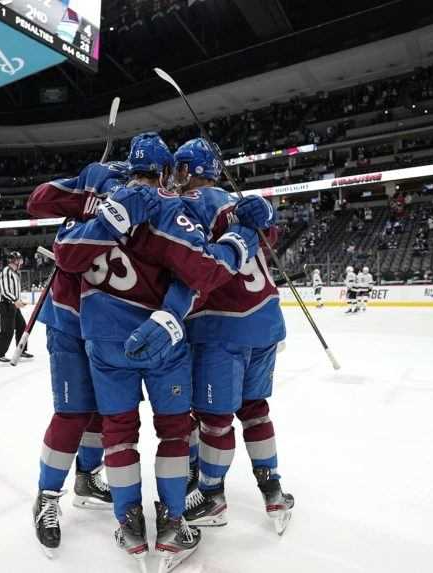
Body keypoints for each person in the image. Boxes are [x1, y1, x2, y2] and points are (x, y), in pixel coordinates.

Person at [54, 133, 259, 573]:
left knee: (118, 431)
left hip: (103, 341)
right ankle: (171, 525)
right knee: (172, 430)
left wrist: (100, 208)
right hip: (161, 339)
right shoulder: (172, 209)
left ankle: (129, 523)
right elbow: (204, 271)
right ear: (168, 172)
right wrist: (244, 236)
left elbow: (63, 252)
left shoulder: (97, 201)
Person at [169, 138, 294, 535]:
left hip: (223, 326)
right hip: (267, 321)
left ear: (188, 171)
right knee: (255, 409)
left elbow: (189, 263)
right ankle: (272, 490)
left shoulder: (191, 205)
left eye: (178, 171)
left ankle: (211, 496)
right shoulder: (237, 204)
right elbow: (267, 237)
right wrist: (268, 217)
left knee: (215, 420)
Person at [25, 162, 130, 556]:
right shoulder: (100, 175)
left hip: (109, 324)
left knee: (103, 412)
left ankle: (87, 478)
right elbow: (38, 201)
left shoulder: (147, 193)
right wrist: (89, 199)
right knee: (72, 412)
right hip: (70, 320)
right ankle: (47, 495)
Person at [0, 251, 32, 365]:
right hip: (6, 305)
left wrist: (18, 301)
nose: (21, 262)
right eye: (19, 259)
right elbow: (5, 291)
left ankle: (21, 351)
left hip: (13, 305)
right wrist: (16, 300)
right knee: (7, 331)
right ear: (14, 260)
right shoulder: (6, 271)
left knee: (22, 327)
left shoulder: (15, 273)